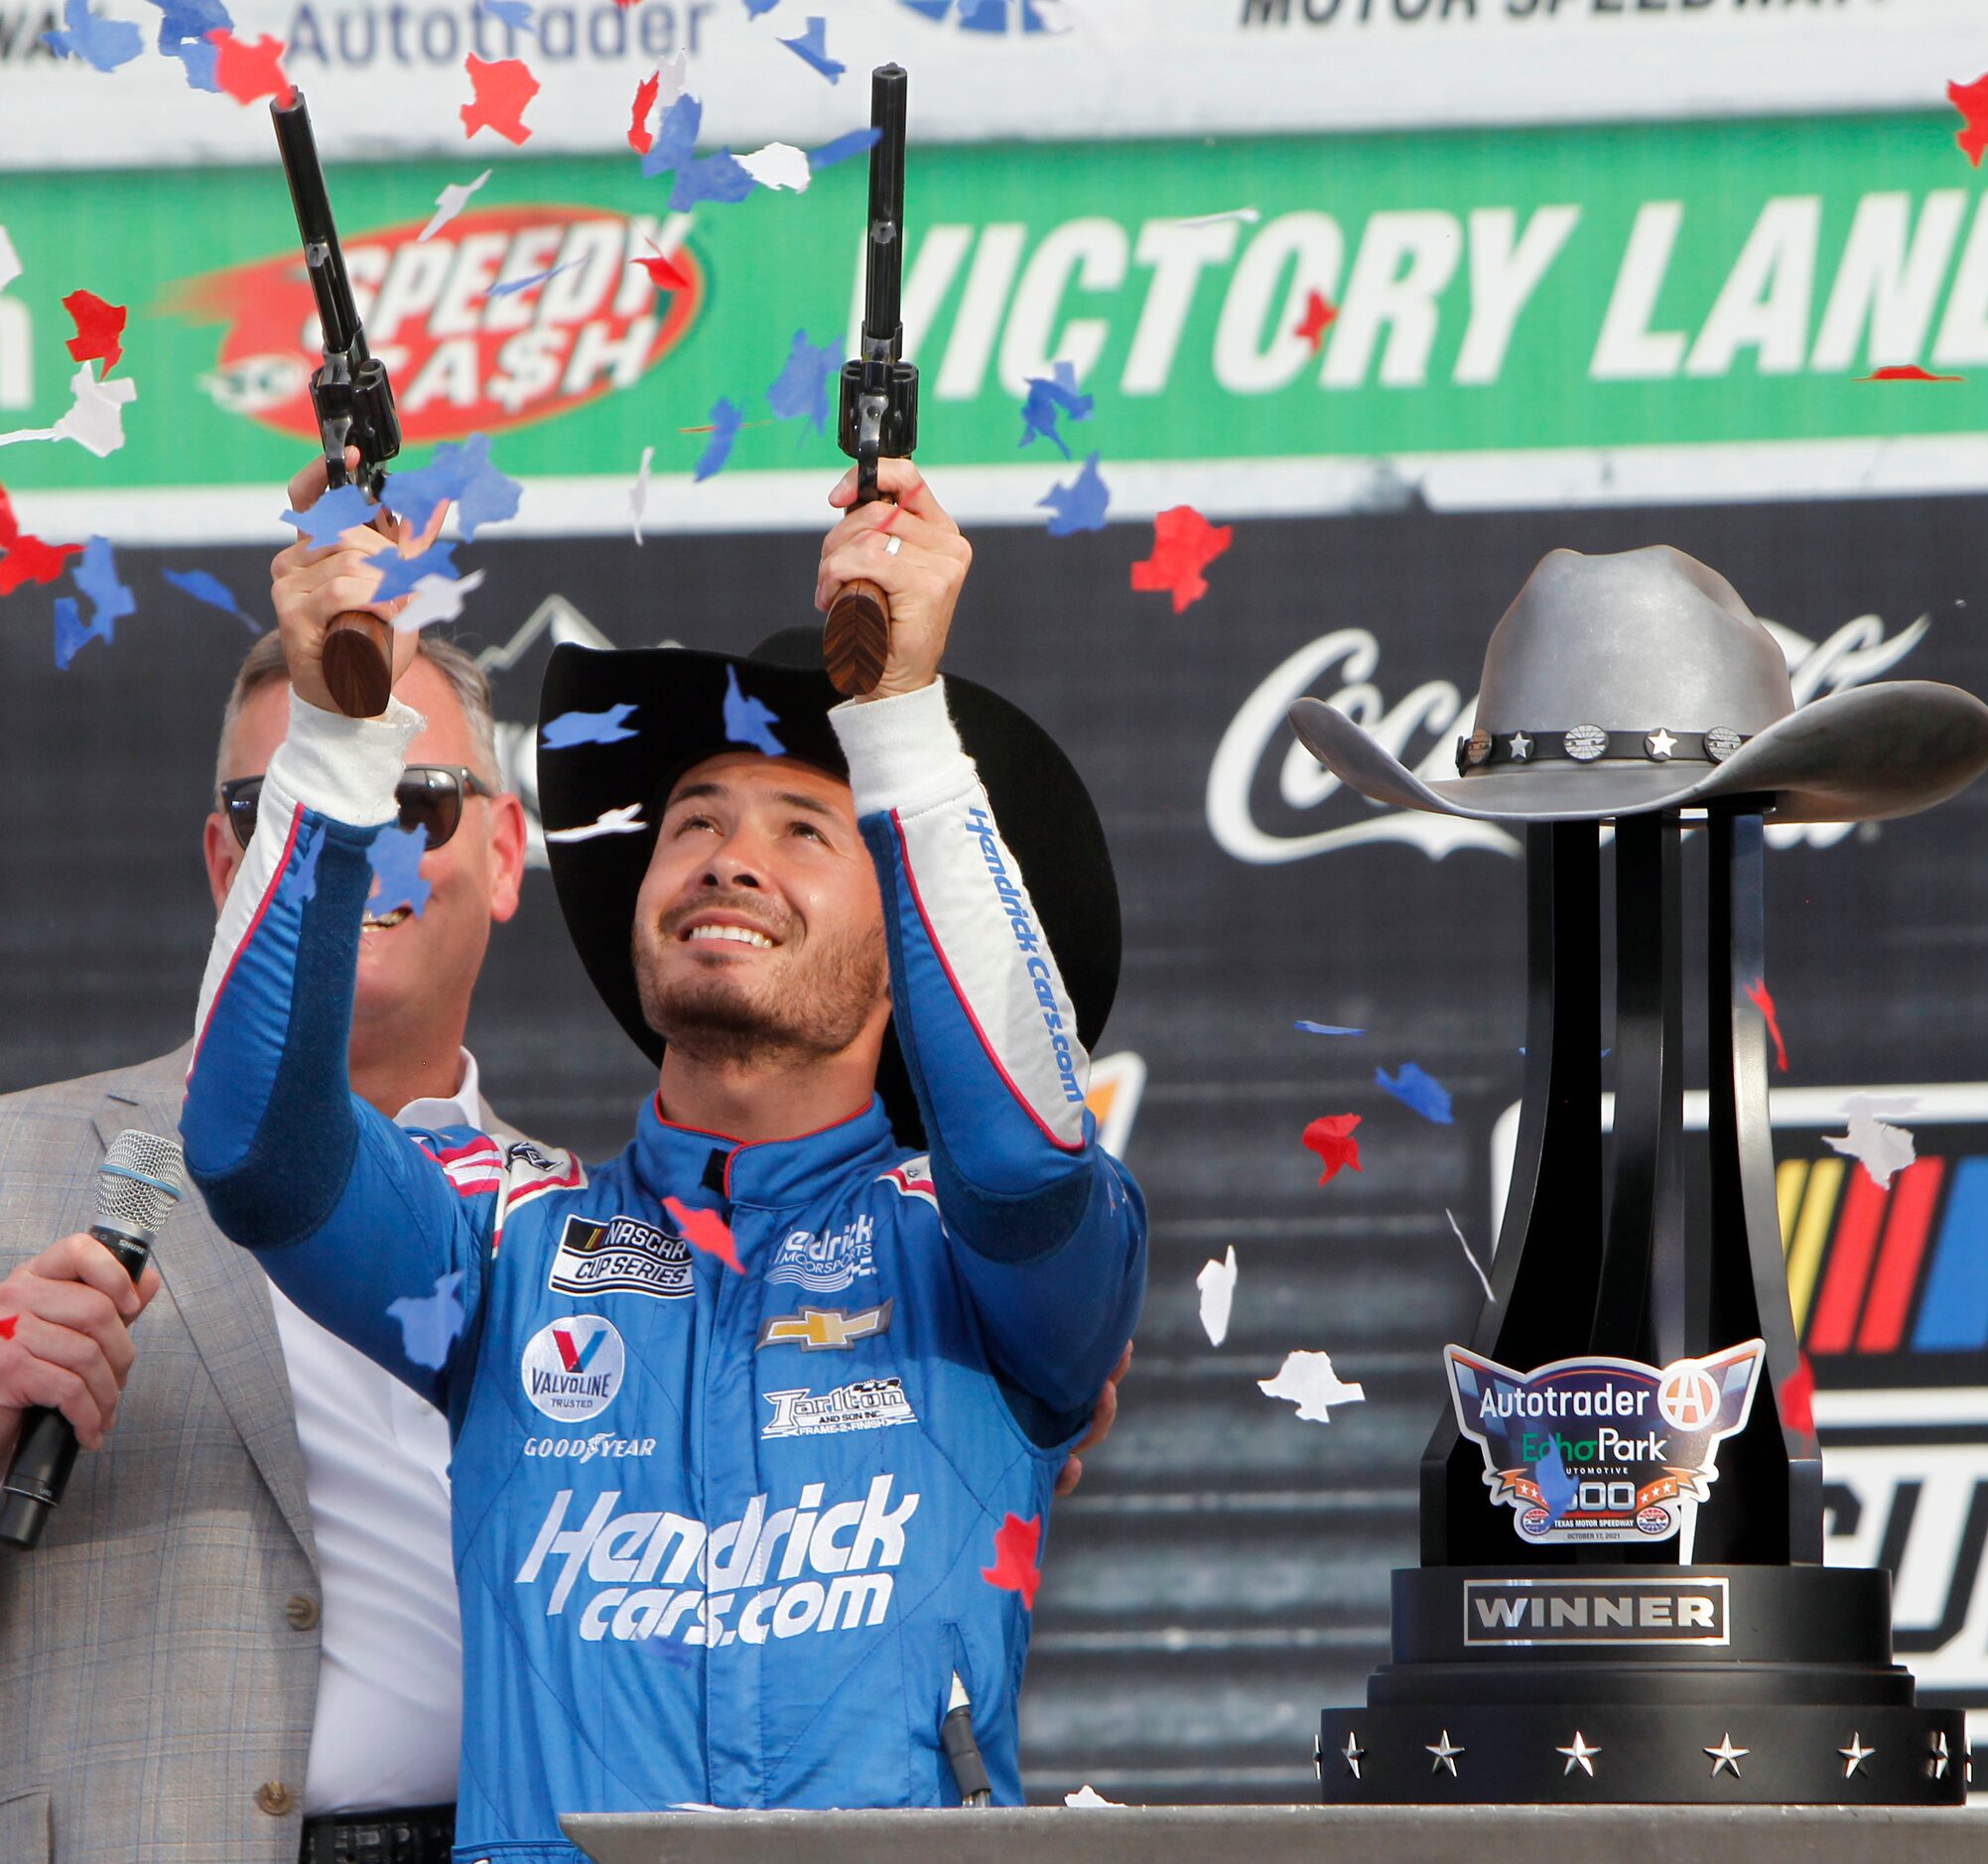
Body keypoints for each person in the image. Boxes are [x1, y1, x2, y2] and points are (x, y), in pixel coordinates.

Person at [180, 456, 1147, 1856]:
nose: (727, 857)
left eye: (804, 828)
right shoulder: (503, 1243)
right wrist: (337, 738)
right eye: (692, 821)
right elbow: (257, 1148)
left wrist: (899, 730)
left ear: (910, 955)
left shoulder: (984, 1253)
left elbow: (1022, 1160)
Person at [0, 626, 528, 1864]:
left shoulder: (594, 1230)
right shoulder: (16, 1164)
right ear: (225, 857)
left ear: (503, 854)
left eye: (411, 798)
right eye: (287, 801)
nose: (353, 846)